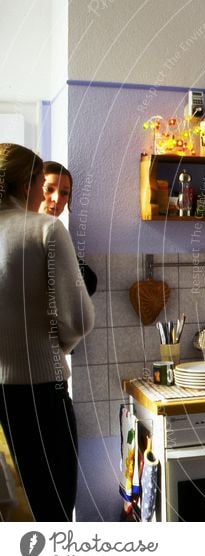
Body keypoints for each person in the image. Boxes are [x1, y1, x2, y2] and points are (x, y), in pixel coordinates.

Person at [0, 143, 94, 521]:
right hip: (41, 393)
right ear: (28, 185)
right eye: (43, 183)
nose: (47, 194)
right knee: (52, 511)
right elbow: (79, 320)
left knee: (14, 515)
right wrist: (56, 347)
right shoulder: (45, 229)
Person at [39, 161, 97, 295]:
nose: (57, 198)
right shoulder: (21, 233)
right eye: (49, 189)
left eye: (64, 193)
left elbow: (89, 283)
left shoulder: (55, 233)